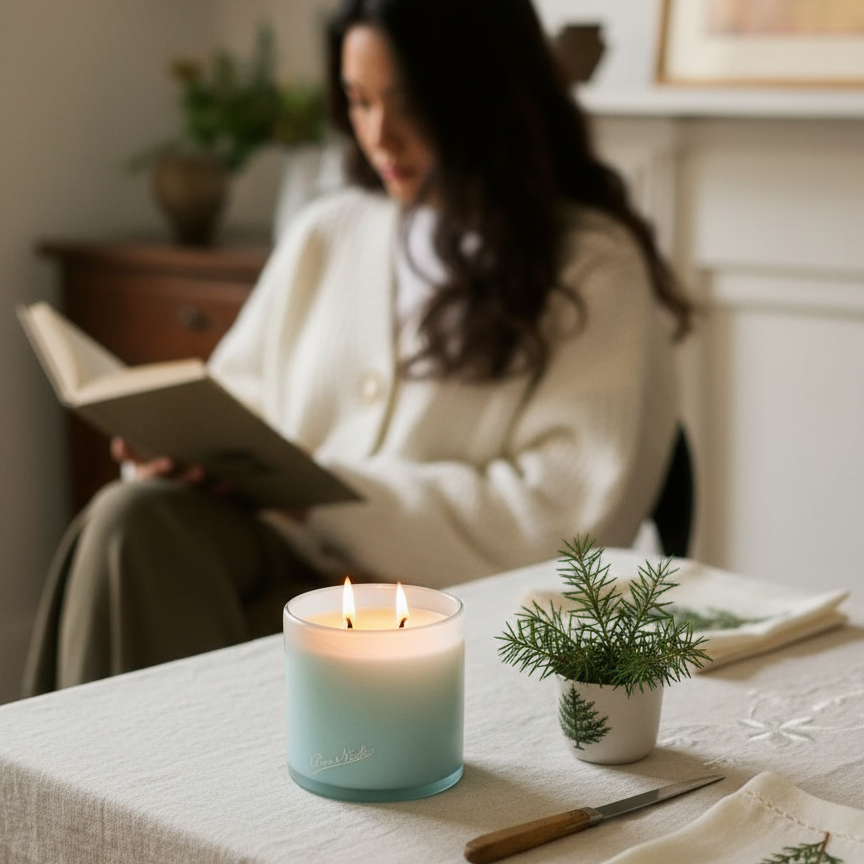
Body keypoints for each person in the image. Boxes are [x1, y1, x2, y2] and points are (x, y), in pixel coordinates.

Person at [23, 0, 692, 696]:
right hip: (287, 584)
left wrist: (329, 500)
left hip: (443, 615)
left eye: (408, 104)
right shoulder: (329, 232)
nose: (380, 135)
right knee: (132, 517)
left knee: (140, 551)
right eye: (359, 101)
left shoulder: (590, 266)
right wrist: (174, 456)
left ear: (485, 94)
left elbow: (566, 522)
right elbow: (237, 409)